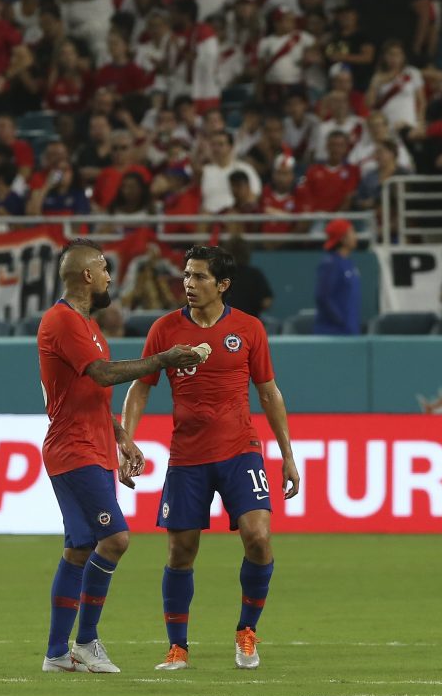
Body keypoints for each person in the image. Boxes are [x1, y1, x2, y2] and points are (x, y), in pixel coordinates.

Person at [121, 245, 300, 672]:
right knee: (181, 551)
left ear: (222, 285)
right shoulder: (165, 330)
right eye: (186, 275)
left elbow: (269, 391)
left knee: (258, 537)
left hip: (241, 451)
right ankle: (178, 647)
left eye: (199, 277)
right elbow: (141, 386)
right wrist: (126, 439)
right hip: (187, 457)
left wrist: (287, 454)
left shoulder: (249, 329)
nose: (188, 283)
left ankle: (247, 631)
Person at [38, 239, 200, 674]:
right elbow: (104, 375)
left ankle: (57, 654)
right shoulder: (63, 321)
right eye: (105, 268)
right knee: (116, 539)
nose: (111, 275)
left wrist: (122, 437)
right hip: (75, 450)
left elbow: (90, 393)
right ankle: (86, 641)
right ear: (87, 275)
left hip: (89, 446)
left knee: (79, 548)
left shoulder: (89, 328)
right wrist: (162, 359)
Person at [314, 219, 362, 335]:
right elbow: (323, 297)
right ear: (343, 238)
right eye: (352, 232)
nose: (356, 236)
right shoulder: (331, 264)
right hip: (333, 333)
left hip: (349, 331)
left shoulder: (348, 263)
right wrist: (341, 321)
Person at [225, 236, 274, 319]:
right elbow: (266, 302)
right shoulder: (255, 274)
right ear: (247, 253)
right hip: (249, 323)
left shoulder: (219, 274)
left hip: (223, 324)